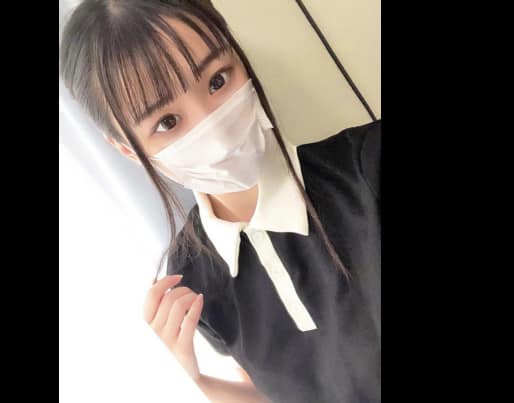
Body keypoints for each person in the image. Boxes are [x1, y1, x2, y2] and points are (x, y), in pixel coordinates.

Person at [60, 1, 380, 402]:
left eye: (217, 81)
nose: (215, 129)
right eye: (167, 122)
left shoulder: (367, 163)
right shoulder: (190, 279)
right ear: (128, 150)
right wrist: (195, 381)